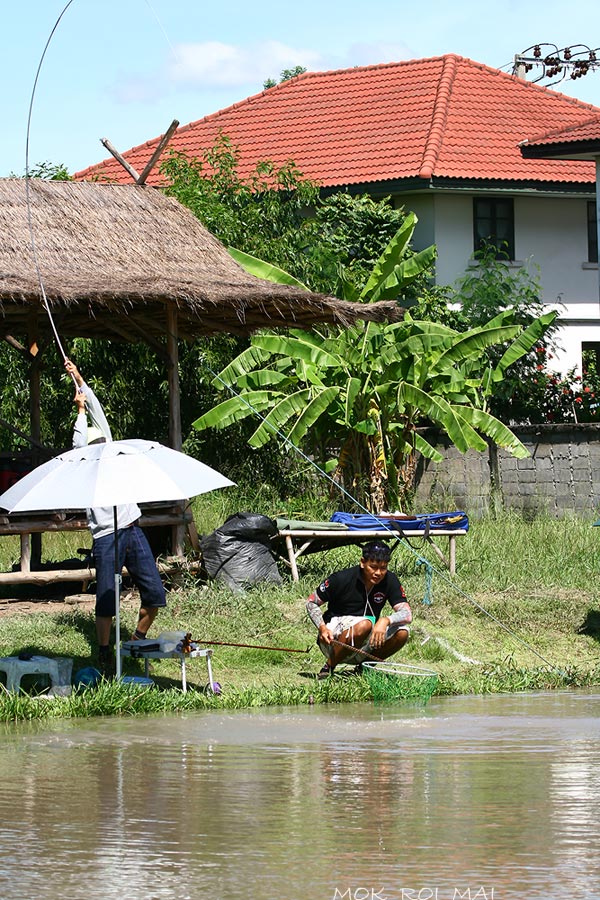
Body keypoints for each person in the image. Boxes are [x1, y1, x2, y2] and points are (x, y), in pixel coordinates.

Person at [65, 359, 167, 673]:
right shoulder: (82, 459)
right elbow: (78, 441)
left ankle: (136, 639)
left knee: (155, 593)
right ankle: (105, 653)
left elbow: (97, 408)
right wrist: (80, 412)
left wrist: (79, 378)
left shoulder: (110, 445)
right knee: (107, 598)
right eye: (94, 443)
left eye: (101, 442)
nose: (99, 446)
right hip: (106, 535)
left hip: (131, 527)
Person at [305, 540, 412, 678]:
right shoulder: (341, 578)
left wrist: (386, 620)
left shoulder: (390, 580)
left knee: (403, 632)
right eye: (373, 567)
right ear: (362, 562)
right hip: (333, 639)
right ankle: (329, 667)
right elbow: (311, 602)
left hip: (366, 639)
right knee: (365, 624)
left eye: (383, 568)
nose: (378, 573)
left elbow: (407, 614)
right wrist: (322, 627)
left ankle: (364, 668)